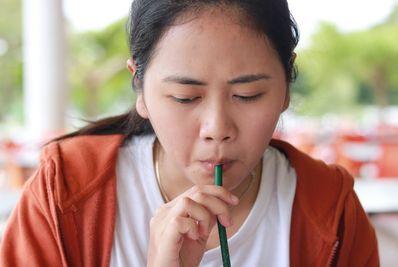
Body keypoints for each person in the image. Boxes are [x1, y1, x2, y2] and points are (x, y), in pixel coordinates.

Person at [0, 0, 379, 266]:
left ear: (286, 88)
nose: (217, 129)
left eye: (248, 95)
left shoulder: (331, 209)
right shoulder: (63, 191)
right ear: (141, 90)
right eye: (184, 97)